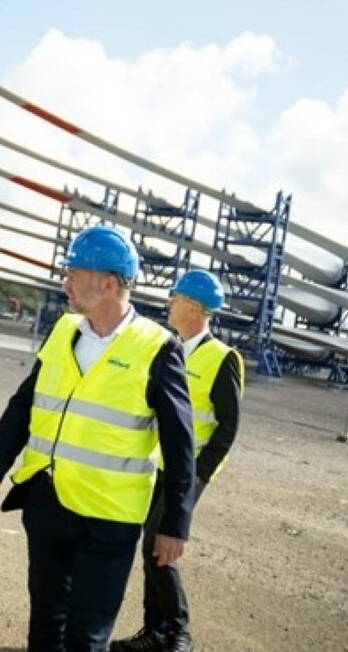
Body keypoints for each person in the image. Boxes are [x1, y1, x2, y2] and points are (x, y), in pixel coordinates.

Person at [0, 225, 197, 652]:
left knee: (87, 638)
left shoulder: (157, 347)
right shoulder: (63, 331)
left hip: (109, 518)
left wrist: (174, 524)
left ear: (108, 282)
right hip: (47, 503)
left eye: (75, 272)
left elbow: (179, 444)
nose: (66, 282)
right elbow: (25, 402)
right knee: (44, 626)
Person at [109, 270, 243, 652]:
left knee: (158, 542)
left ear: (195, 307)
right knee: (151, 546)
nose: (168, 303)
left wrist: (200, 474)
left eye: (175, 297)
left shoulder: (222, 358)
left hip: (189, 473)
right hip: (157, 467)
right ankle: (155, 632)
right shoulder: (169, 347)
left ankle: (178, 633)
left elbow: (228, 425)